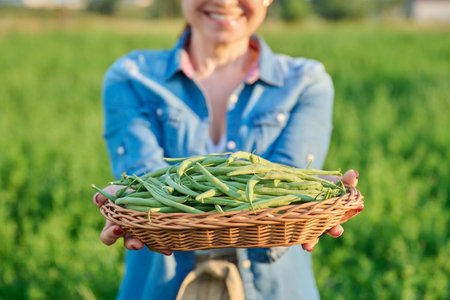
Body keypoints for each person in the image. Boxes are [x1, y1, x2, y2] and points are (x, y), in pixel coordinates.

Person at [93, 0, 363, 299]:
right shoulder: (132, 77)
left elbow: (287, 191)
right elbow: (145, 183)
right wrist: (132, 206)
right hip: (160, 286)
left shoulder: (307, 82)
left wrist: (313, 203)